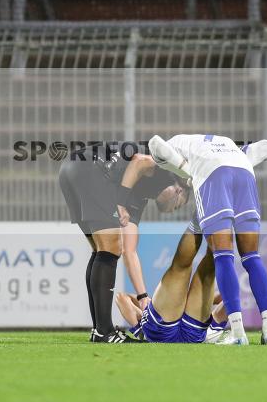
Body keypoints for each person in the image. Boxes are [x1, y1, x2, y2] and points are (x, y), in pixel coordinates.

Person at [149, 134, 267, 345]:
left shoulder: (168, 156)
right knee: (252, 257)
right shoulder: (220, 143)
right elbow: (266, 146)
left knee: (223, 255)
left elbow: (155, 143)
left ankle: (237, 332)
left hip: (212, 176)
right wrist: (243, 158)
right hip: (245, 172)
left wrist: (188, 170)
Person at [58, 142, 189, 343]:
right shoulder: (168, 170)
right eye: (178, 204)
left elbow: (130, 251)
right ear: (179, 190)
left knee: (102, 250)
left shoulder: (138, 197)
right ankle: (104, 331)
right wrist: (119, 201)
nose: (173, 209)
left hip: (72, 170)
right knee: (109, 250)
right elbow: (138, 161)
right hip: (92, 168)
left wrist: (143, 296)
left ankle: (99, 330)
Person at [115, 215, 228, 344]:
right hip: (193, 334)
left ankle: (200, 217)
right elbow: (122, 298)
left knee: (185, 268)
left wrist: (143, 302)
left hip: (163, 332)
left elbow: (121, 298)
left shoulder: (144, 321)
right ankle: (212, 216)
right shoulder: (145, 315)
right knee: (206, 270)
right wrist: (144, 301)